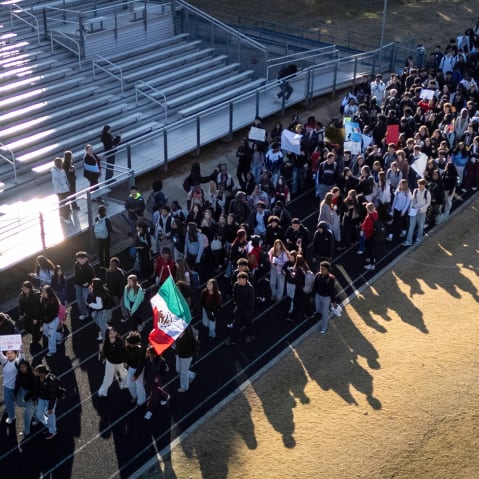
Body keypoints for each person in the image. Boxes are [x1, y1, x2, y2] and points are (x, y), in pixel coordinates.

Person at [98, 326, 127, 398]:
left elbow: (123, 351)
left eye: (113, 333)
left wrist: (113, 344)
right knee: (108, 378)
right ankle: (102, 392)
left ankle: (126, 384)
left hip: (119, 362)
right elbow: (105, 351)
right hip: (110, 362)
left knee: (124, 374)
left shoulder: (120, 340)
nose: (112, 335)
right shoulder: (106, 342)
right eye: (110, 334)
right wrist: (103, 356)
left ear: (116, 333)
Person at [227, 271, 255, 345]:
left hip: (247, 310)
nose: (238, 281)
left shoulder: (250, 288)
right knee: (235, 324)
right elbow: (234, 295)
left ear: (245, 279)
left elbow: (251, 301)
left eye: (240, 279)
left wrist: (248, 311)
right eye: (238, 279)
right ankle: (232, 339)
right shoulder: (236, 285)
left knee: (248, 324)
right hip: (239, 308)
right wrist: (236, 304)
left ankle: (250, 335)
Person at [143, 346, 170, 420]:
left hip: (156, 379)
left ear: (153, 354)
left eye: (148, 352)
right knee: (156, 389)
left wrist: (157, 377)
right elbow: (146, 369)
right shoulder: (148, 359)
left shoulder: (160, 361)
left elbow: (163, 371)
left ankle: (149, 411)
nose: (146, 353)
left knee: (153, 395)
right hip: (150, 378)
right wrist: (145, 378)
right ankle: (165, 396)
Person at [403, 179, 431, 246]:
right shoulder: (415, 191)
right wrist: (410, 208)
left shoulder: (427, 192)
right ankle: (409, 241)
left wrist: (421, 209)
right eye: (418, 184)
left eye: (421, 184)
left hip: (422, 212)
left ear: (424, 185)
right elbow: (413, 200)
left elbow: (428, 203)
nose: (419, 186)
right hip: (414, 211)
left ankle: (419, 238)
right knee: (411, 226)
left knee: (420, 226)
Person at [34, 364, 58, 440]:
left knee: (51, 416)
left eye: (36, 372)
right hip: (42, 398)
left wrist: (50, 407)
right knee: (39, 414)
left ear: (41, 372)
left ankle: (53, 431)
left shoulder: (51, 380)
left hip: (49, 400)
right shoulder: (38, 377)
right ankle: (48, 426)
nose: (35, 373)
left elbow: (53, 395)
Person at [313, 261, 337, 334]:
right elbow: (315, 286)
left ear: (327, 270)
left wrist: (333, 301)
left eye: (323, 269)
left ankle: (324, 328)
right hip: (318, 295)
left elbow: (332, 291)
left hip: (326, 298)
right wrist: (312, 295)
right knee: (318, 309)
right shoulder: (318, 275)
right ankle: (326, 311)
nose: (321, 270)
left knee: (324, 313)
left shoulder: (331, 278)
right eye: (320, 268)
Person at [1, 347, 24, 425]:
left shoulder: (17, 362)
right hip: (7, 387)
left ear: (15, 354)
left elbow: (22, 356)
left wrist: (21, 350)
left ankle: (35, 413)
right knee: (8, 403)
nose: (9, 355)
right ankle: (11, 417)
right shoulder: (4, 361)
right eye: (7, 353)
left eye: (11, 353)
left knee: (21, 403)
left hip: (17, 388)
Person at [14, 359, 36, 437]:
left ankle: (26, 431)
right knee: (21, 404)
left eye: (24, 367)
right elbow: (17, 384)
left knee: (27, 414)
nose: (22, 369)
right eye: (21, 367)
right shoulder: (19, 374)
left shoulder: (33, 375)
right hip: (26, 392)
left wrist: (30, 398)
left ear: (27, 367)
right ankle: (37, 417)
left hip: (34, 395)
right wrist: (15, 394)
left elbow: (35, 389)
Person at [124, 331, 146, 406]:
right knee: (129, 384)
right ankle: (135, 396)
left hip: (138, 370)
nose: (127, 342)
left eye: (129, 342)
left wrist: (136, 375)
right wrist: (125, 362)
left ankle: (141, 400)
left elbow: (141, 365)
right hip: (131, 367)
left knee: (139, 385)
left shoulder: (139, 351)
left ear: (134, 344)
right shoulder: (127, 347)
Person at [39, 285, 61, 357]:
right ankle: (59, 337)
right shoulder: (43, 299)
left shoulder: (53, 301)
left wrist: (45, 319)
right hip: (46, 321)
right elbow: (41, 310)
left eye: (45, 292)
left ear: (49, 293)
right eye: (42, 292)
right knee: (46, 333)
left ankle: (52, 350)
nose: (43, 294)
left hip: (52, 320)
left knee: (50, 335)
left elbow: (53, 313)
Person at [73, 251, 95, 320]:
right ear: (77, 259)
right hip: (78, 284)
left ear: (86, 259)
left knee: (87, 300)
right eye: (79, 259)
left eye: (83, 259)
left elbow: (93, 278)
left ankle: (94, 310)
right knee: (79, 300)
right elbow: (76, 275)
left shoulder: (89, 267)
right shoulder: (76, 264)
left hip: (86, 286)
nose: (81, 261)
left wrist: (88, 283)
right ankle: (84, 313)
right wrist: (76, 283)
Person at [175, 325, 197, 392]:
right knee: (178, 369)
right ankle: (191, 375)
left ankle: (185, 387)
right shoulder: (178, 334)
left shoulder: (187, 337)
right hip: (180, 354)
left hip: (186, 356)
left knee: (183, 372)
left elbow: (191, 347)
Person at [51, 157, 72, 223]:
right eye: (60, 163)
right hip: (61, 190)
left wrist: (67, 184)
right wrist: (63, 187)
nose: (62, 164)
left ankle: (62, 214)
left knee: (62, 202)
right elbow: (56, 182)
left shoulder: (61, 170)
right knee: (64, 203)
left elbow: (65, 178)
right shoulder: (55, 172)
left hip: (65, 189)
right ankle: (65, 217)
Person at [361, 202, 379, 270]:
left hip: (369, 235)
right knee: (369, 246)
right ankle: (372, 259)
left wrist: (362, 227)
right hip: (373, 233)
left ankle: (372, 264)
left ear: (368, 209)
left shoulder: (368, 217)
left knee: (370, 249)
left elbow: (366, 228)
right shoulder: (375, 213)